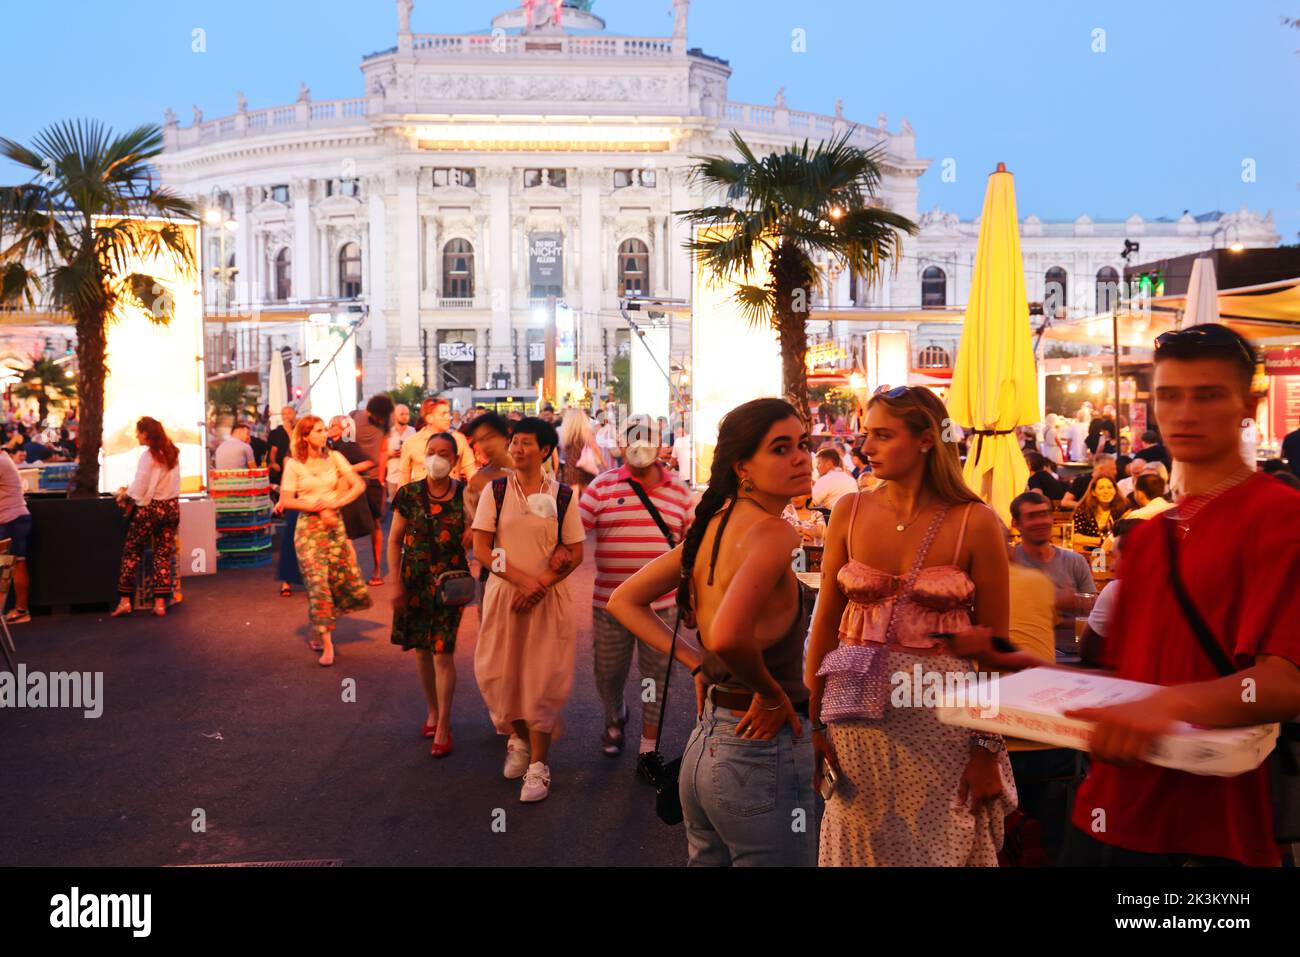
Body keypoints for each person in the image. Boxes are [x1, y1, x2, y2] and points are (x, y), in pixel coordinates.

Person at [965, 325, 1300, 867]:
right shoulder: (1151, 536)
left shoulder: (1279, 517)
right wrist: (1032, 672)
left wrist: (1166, 706)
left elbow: (1286, 682)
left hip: (1210, 831)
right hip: (1108, 816)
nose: (1185, 414)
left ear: (1250, 404)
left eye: (1208, 395)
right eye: (1170, 395)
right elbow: (1137, 684)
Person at [807, 386, 1015, 866]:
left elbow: (996, 647)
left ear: (926, 439)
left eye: (882, 435)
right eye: (866, 435)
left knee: (940, 846)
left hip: (946, 728)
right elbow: (824, 626)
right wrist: (814, 723)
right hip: (856, 723)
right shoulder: (849, 511)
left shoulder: (975, 521)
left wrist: (987, 747)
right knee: (862, 845)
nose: (866, 447)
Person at [609, 398, 815, 866]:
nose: (801, 457)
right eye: (780, 449)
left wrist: (698, 664)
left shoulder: (713, 528)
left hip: (706, 747)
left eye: (802, 444)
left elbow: (625, 601)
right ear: (743, 467)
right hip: (761, 753)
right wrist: (770, 694)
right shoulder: (775, 534)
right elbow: (725, 636)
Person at [471, 417, 586, 803]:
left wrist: (541, 585)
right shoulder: (496, 492)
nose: (517, 449)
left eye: (526, 443)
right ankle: (517, 739)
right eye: (514, 442)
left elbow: (575, 551)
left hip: (547, 601)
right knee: (500, 674)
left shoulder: (563, 495)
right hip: (505, 596)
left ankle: (539, 765)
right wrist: (522, 580)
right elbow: (483, 550)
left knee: (541, 679)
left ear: (545, 451)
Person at [580, 415, 695, 759]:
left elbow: (691, 552)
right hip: (609, 605)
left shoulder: (679, 491)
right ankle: (614, 714)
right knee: (608, 672)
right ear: (622, 444)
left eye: (648, 438)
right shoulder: (601, 487)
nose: (640, 445)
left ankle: (648, 746)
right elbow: (572, 533)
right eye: (633, 438)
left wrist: (693, 600)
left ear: (661, 444)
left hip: (662, 606)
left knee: (654, 679)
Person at [388, 431, 471, 758]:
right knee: (422, 650)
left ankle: (444, 724)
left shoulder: (465, 494)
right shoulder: (408, 494)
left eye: (444, 453)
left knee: (442, 652)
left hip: (451, 582)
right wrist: (394, 582)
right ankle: (433, 710)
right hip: (415, 580)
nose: (437, 458)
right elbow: (395, 539)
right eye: (432, 451)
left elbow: (484, 531)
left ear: (454, 459)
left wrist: (473, 530)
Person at [279, 415, 373, 666]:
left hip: (334, 526)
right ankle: (328, 646)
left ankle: (318, 628)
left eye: (324, 430)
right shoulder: (294, 464)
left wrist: (335, 503)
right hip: (308, 530)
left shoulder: (335, 457)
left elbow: (358, 485)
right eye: (319, 431)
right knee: (317, 582)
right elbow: (287, 500)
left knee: (337, 582)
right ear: (305, 436)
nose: (324, 434)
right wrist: (316, 507)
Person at [1009, 490, 1095, 661]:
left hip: (1074, 654)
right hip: (1026, 654)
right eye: (1032, 516)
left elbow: (1091, 613)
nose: (1041, 521)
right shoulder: (1010, 563)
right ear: (1016, 523)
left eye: (1045, 514)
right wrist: (1058, 604)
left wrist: (1045, 612)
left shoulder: (1075, 561)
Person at [111, 417, 182, 618]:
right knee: (163, 555)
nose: (137, 435)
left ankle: (125, 601)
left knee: (131, 552)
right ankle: (160, 603)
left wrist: (125, 495)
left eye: (139, 432)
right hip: (171, 508)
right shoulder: (172, 452)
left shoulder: (148, 456)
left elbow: (140, 486)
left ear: (147, 434)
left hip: (151, 510)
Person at [461, 412, 515, 605]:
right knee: (493, 627)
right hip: (493, 565)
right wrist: (470, 530)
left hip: (529, 561)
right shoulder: (477, 481)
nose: (486, 445)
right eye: (479, 440)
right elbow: (470, 526)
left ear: (505, 436)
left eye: (490, 436)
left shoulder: (528, 473)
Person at [351, 395, 394, 586]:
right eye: (379, 417)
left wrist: (382, 478)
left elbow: (384, 450)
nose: (381, 421)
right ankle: (351, 572)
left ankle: (376, 570)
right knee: (349, 527)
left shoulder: (385, 423)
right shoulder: (353, 416)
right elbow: (346, 444)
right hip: (353, 477)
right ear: (371, 411)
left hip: (374, 479)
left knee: (375, 524)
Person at [400, 397, 475, 486]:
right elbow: (404, 477)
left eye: (448, 413)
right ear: (429, 418)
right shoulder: (412, 443)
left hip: (452, 496)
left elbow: (471, 472)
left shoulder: (459, 439)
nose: (449, 417)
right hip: (422, 497)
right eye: (443, 414)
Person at [326, 416, 377, 544]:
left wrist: (347, 469)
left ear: (345, 429)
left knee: (346, 538)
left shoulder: (348, 445)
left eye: (334, 426)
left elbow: (370, 462)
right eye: (330, 425)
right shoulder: (329, 446)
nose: (330, 429)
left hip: (347, 493)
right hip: (334, 493)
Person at [0, 448, 33, 624]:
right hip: (14, 518)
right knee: (15, 564)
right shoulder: (4, 458)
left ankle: (21, 610)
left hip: (10, 520)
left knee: (13, 565)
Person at [1070, 474, 1128, 547]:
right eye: (1101, 488)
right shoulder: (1083, 510)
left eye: (1110, 487)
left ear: (1115, 491)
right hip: (1088, 554)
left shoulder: (1123, 509)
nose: (1106, 491)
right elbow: (1075, 537)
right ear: (1093, 492)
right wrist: (1103, 540)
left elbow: (1126, 536)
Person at [558, 405, 602, 490]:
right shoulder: (586, 432)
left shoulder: (564, 432)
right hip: (586, 464)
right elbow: (594, 447)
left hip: (571, 464)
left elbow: (563, 449)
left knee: (573, 493)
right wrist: (604, 463)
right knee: (586, 491)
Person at [386, 403, 417, 502]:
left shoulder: (413, 431)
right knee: (393, 508)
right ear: (394, 416)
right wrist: (389, 454)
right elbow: (380, 454)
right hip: (393, 476)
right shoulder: (388, 432)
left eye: (407, 414)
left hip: (410, 477)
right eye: (402, 414)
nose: (405, 417)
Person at [267, 405, 297, 492]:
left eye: (289, 413)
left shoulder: (298, 430)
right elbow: (273, 450)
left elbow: (295, 444)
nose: (287, 416)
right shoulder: (276, 432)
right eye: (284, 414)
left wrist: (289, 430)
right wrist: (274, 463)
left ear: (295, 414)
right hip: (281, 467)